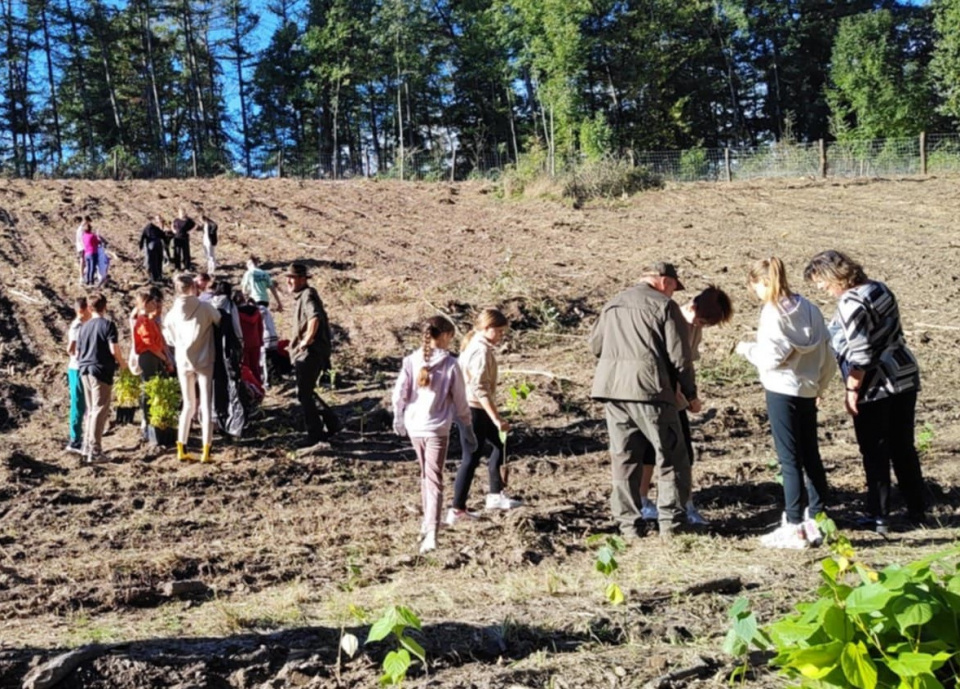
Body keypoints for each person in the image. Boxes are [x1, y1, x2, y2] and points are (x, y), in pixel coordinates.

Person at [803, 250, 926, 534]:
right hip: (904, 372)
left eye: (821, 281)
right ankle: (917, 508)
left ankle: (879, 515)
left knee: (875, 450)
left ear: (835, 275)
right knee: (903, 446)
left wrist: (852, 389)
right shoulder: (879, 288)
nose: (821, 288)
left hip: (876, 383)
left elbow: (861, 355)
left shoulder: (850, 302)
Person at [590, 262, 700, 541]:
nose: (674, 293)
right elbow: (680, 357)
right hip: (651, 390)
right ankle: (672, 524)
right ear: (664, 281)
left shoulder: (613, 304)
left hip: (613, 390)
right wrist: (691, 394)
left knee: (625, 458)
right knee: (672, 457)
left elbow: (596, 346)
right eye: (674, 286)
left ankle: (629, 526)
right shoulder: (664, 306)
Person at [735, 258, 834, 549]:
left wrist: (745, 349)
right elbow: (828, 352)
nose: (756, 295)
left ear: (763, 282)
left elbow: (769, 358)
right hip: (807, 389)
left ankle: (793, 525)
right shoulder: (810, 309)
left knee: (789, 459)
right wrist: (821, 386)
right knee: (811, 455)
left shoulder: (771, 313)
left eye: (756, 288)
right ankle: (818, 518)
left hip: (780, 389)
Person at [639, 286, 733, 525]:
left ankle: (684, 503)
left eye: (706, 325)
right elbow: (671, 364)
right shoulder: (670, 320)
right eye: (700, 321)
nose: (700, 326)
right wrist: (689, 397)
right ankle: (642, 501)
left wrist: (688, 396)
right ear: (692, 306)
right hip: (658, 395)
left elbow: (687, 366)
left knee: (684, 454)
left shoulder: (694, 328)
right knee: (649, 451)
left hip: (678, 398)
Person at [394, 317, 478, 553]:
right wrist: (468, 427)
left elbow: (399, 392)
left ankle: (427, 521)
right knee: (434, 479)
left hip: (414, 425)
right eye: (450, 337)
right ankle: (431, 531)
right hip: (436, 428)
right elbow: (461, 401)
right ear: (444, 336)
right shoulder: (451, 364)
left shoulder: (411, 360)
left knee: (426, 475)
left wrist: (398, 417)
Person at [447, 308, 521, 524]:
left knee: (500, 446)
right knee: (470, 459)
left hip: (471, 408)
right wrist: (496, 418)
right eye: (498, 331)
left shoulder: (475, 345)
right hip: (474, 410)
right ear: (487, 328)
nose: (501, 336)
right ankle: (457, 509)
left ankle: (495, 495)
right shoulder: (481, 351)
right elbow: (479, 388)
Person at [163, 273, 222, 463]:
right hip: (204, 359)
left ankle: (182, 446)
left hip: (182, 360)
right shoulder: (204, 307)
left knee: (188, 404)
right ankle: (206, 450)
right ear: (193, 287)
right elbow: (219, 319)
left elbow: (169, 339)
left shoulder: (171, 314)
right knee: (205, 403)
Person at [286, 262, 337, 449]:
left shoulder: (307, 295)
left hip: (310, 353)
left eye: (292, 278)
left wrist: (306, 341)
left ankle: (315, 434)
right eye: (288, 278)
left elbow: (314, 317)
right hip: (311, 352)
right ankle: (332, 423)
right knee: (306, 392)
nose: (289, 281)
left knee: (304, 394)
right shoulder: (303, 296)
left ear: (302, 279)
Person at [76, 293, 125, 462]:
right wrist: (123, 364)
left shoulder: (83, 327)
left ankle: (86, 447)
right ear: (105, 306)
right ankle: (95, 450)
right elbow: (114, 349)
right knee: (99, 409)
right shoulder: (108, 325)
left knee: (90, 410)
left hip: (84, 369)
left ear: (90, 308)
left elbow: (78, 351)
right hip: (101, 370)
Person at [131, 291, 174, 444]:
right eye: (152, 303)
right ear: (145, 304)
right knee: (149, 389)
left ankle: (154, 421)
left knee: (155, 388)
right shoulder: (142, 321)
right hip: (149, 357)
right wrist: (164, 358)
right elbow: (150, 344)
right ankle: (148, 421)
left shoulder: (149, 320)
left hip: (154, 357)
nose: (155, 305)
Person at [65, 296, 92, 454]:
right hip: (77, 368)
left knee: (86, 403)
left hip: (84, 367)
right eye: (86, 310)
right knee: (78, 403)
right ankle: (75, 439)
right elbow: (71, 349)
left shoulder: (86, 324)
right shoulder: (77, 326)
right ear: (80, 311)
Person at [139, 215, 167, 283]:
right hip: (157, 244)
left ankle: (155, 277)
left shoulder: (147, 228)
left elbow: (143, 237)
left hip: (151, 246)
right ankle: (158, 276)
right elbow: (163, 235)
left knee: (153, 262)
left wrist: (141, 246)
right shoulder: (154, 228)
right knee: (158, 260)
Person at [172, 206, 196, 271]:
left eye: (183, 212)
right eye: (180, 212)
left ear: (185, 213)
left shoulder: (188, 220)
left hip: (185, 238)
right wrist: (173, 230)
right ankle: (177, 267)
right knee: (177, 253)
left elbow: (195, 225)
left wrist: (191, 231)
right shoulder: (176, 220)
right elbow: (172, 225)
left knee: (186, 253)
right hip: (177, 238)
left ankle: (187, 267)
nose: (182, 214)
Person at [81, 222, 100, 286]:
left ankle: (87, 280)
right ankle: (91, 281)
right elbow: (98, 242)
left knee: (88, 267)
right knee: (92, 267)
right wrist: (97, 236)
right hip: (93, 253)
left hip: (86, 253)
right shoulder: (92, 236)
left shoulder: (84, 236)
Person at [74, 216, 91, 285]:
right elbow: (81, 240)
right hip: (82, 247)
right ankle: (82, 277)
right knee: (83, 261)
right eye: (87, 222)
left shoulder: (82, 229)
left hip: (84, 247)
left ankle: (85, 275)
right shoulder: (80, 230)